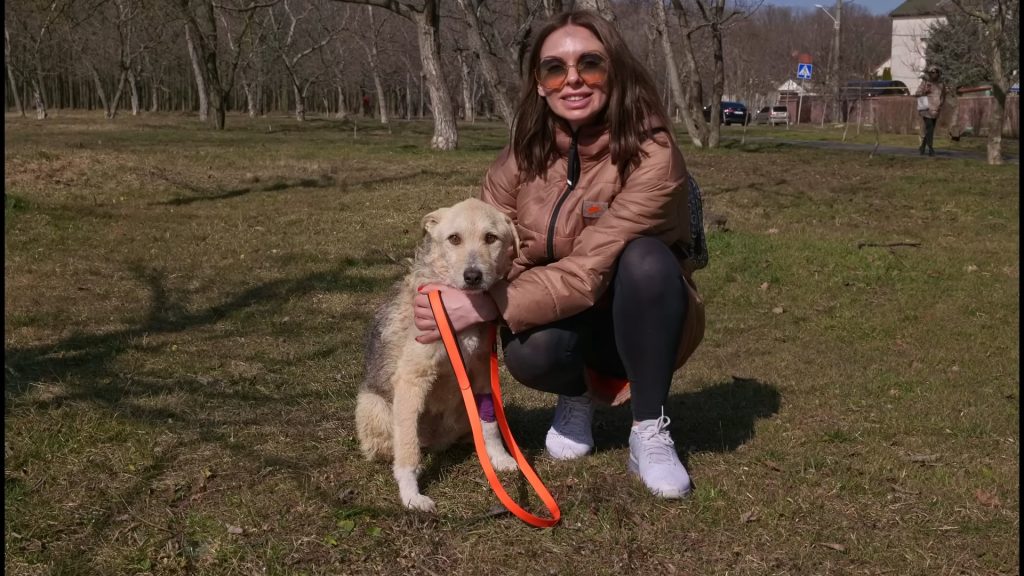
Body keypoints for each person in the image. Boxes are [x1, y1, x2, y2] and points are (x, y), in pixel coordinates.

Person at [412, 9, 705, 499]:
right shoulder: (520, 156)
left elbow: (591, 267)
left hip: (642, 316)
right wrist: (450, 294)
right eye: (555, 69)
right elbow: (498, 254)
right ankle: (576, 397)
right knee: (532, 353)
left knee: (647, 260)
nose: (573, 80)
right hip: (563, 313)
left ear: (614, 71)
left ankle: (649, 430)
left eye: (589, 64)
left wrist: (484, 304)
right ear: (540, 83)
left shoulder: (653, 152)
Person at [915, 65, 946, 156]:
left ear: (938, 73)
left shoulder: (941, 85)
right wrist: (925, 91)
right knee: (930, 129)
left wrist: (941, 104)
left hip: (936, 110)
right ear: (929, 73)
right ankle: (931, 149)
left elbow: (943, 96)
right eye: (932, 73)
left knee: (929, 130)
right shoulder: (925, 83)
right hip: (926, 110)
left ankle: (922, 147)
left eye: (935, 72)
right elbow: (917, 93)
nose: (934, 74)